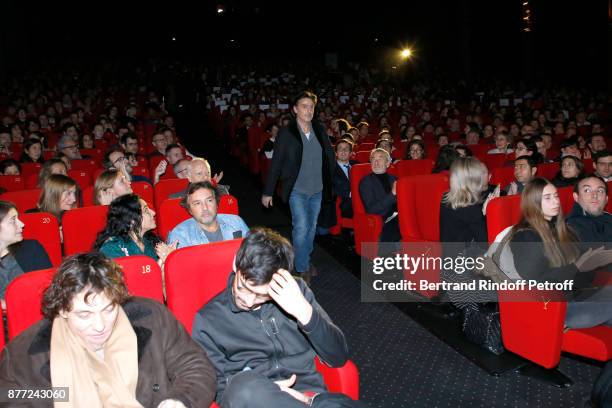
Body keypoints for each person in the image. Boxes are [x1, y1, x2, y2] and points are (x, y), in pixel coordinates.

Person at [0, 252, 217, 407]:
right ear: (62, 310)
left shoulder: (153, 318)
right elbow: (11, 398)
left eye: (109, 308)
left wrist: (179, 401)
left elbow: (195, 366)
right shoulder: (21, 356)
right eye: (84, 315)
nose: (100, 325)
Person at [192, 228, 366, 408]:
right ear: (236, 264)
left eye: (262, 295)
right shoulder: (209, 319)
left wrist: (304, 313)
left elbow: (338, 357)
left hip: (310, 397)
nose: (249, 301)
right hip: (253, 398)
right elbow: (217, 389)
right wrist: (267, 390)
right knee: (244, 388)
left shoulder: (295, 293)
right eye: (243, 287)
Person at [508, 178, 612, 329]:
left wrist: (592, 264)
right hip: (555, 309)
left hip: (577, 296)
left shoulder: (561, 229)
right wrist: (577, 267)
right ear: (533, 202)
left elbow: (578, 276)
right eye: (548, 198)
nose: (555, 202)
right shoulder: (526, 236)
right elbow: (536, 285)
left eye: (556, 196)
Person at [262, 91, 335, 278]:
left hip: (317, 189)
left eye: (311, 106)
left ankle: (301, 259)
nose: (308, 110)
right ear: (295, 109)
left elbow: (329, 157)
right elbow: (276, 162)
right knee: (301, 227)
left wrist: (331, 181)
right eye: (304, 106)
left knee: (311, 228)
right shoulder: (286, 133)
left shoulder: (319, 129)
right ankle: (302, 268)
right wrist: (268, 191)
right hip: (297, 189)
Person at [94, 194, 176, 267]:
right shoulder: (112, 248)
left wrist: (171, 259)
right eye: (146, 211)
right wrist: (162, 262)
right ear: (132, 220)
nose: (153, 213)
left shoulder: (152, 242)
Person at [0, 200, 51, 308]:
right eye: (13, 220)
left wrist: (8, 305)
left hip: (37, 317)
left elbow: (50, 291)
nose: (22, 224)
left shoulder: (31, 249)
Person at [168, 181, 249, 249]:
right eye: (197, 203)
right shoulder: (180, 235)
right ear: (190, 210)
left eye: (209, 200)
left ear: (217, 203)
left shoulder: (236, 222)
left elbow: (253, 253)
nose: (205, 207)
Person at [440, 157, 498, 244]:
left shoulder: (446, 198)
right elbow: (485, 242)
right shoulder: (471, 208)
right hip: (466, 256)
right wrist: (486, 212)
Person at [359, 148, 401, 243]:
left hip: (399, 214)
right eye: (373, 159)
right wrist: (392, 194)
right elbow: (371, 209)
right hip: (384, 217)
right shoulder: (366, 182)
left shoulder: (395, 179)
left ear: (388, 163)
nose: (376, 161)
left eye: (380, 158)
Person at [566, 176, 611, 244]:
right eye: (587, 190)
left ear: (606, 199)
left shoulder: (608, 217)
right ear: (576, 197)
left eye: (600, 191)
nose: (595, 195)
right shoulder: (570, 228)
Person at [333, 138, 357, 219]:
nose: (343, 151)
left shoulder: (357, 165)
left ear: (350, 153)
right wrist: (352, 194)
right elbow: (332, 189)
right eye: (340, 149)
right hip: (344, 203)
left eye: (346, 149)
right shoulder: (330, 169)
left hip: (360, 199)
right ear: (336, 153)